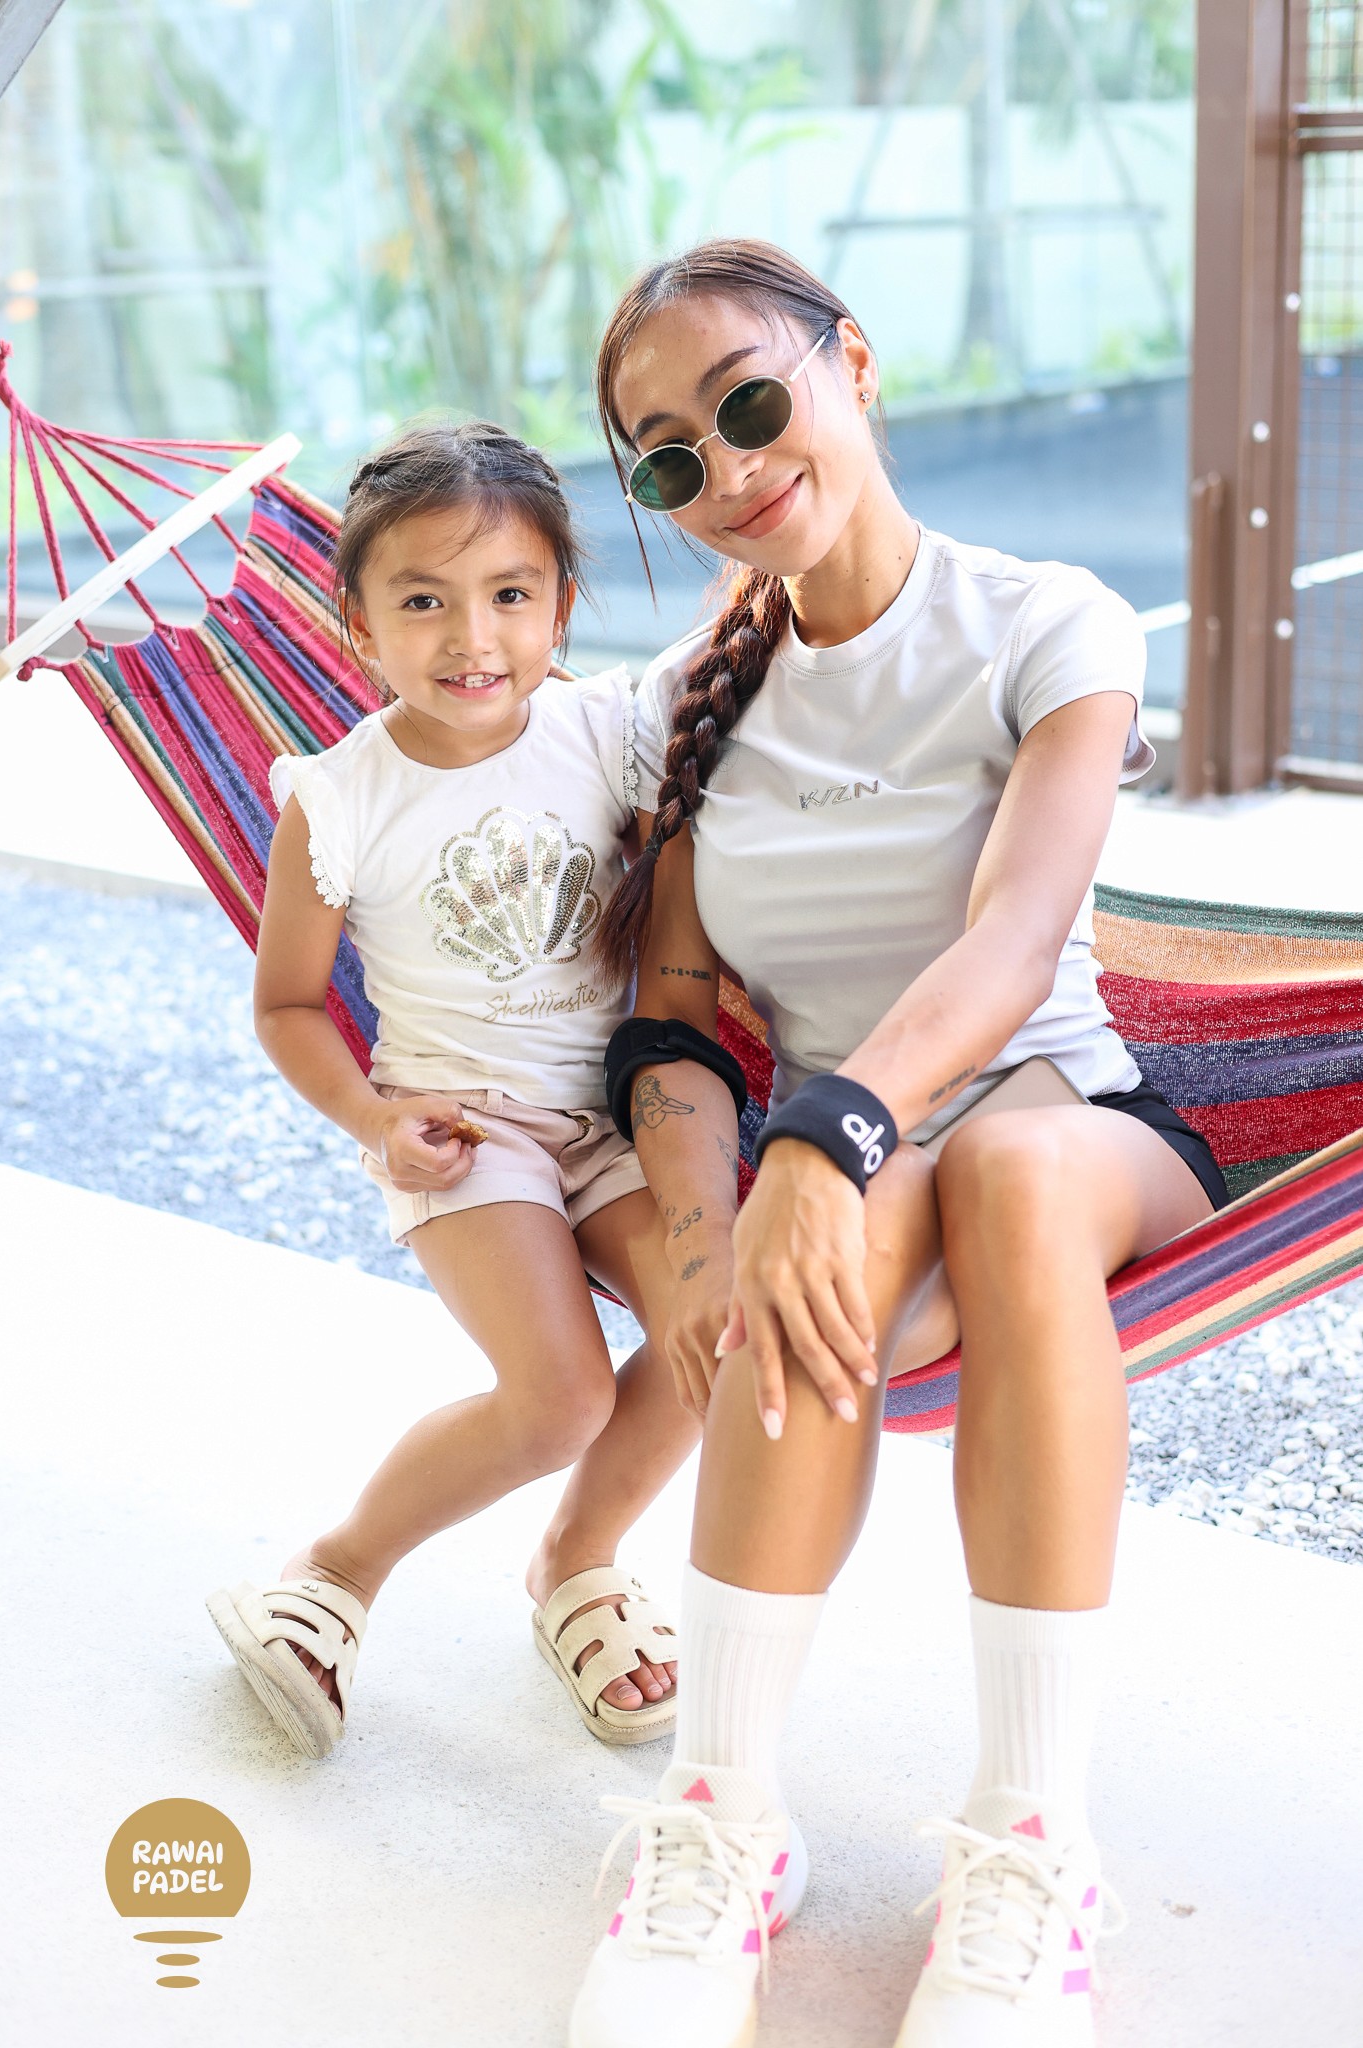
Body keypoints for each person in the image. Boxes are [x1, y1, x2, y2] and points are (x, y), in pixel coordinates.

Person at [567, 241, 1229, 2048]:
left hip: (1055, 1112)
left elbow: (1015, 941)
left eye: (749, 402)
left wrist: (823, 1137)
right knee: (824, 1271)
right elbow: (673, 1008)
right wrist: (709, 1218)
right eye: (665, 459)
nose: (725, 467)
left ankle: (1029, 1842)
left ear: (850, 364)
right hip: (831, 1164)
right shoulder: (692, 706)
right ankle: (722, 1814)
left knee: (1001, 1179)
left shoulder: (1045, 621)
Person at [206, 420, 699, 1760]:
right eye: (420, 600)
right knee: (557, 1399)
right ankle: (334, 1572)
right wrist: (374, 1120)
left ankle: (574, 1564)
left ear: (560, 608)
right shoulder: (339, 796)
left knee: (718, 1337)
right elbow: (290, 1004)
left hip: (617, 1115)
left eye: (508, 596)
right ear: (357, 623)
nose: (468, 636)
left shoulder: (606, 735)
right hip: (462, 1131)